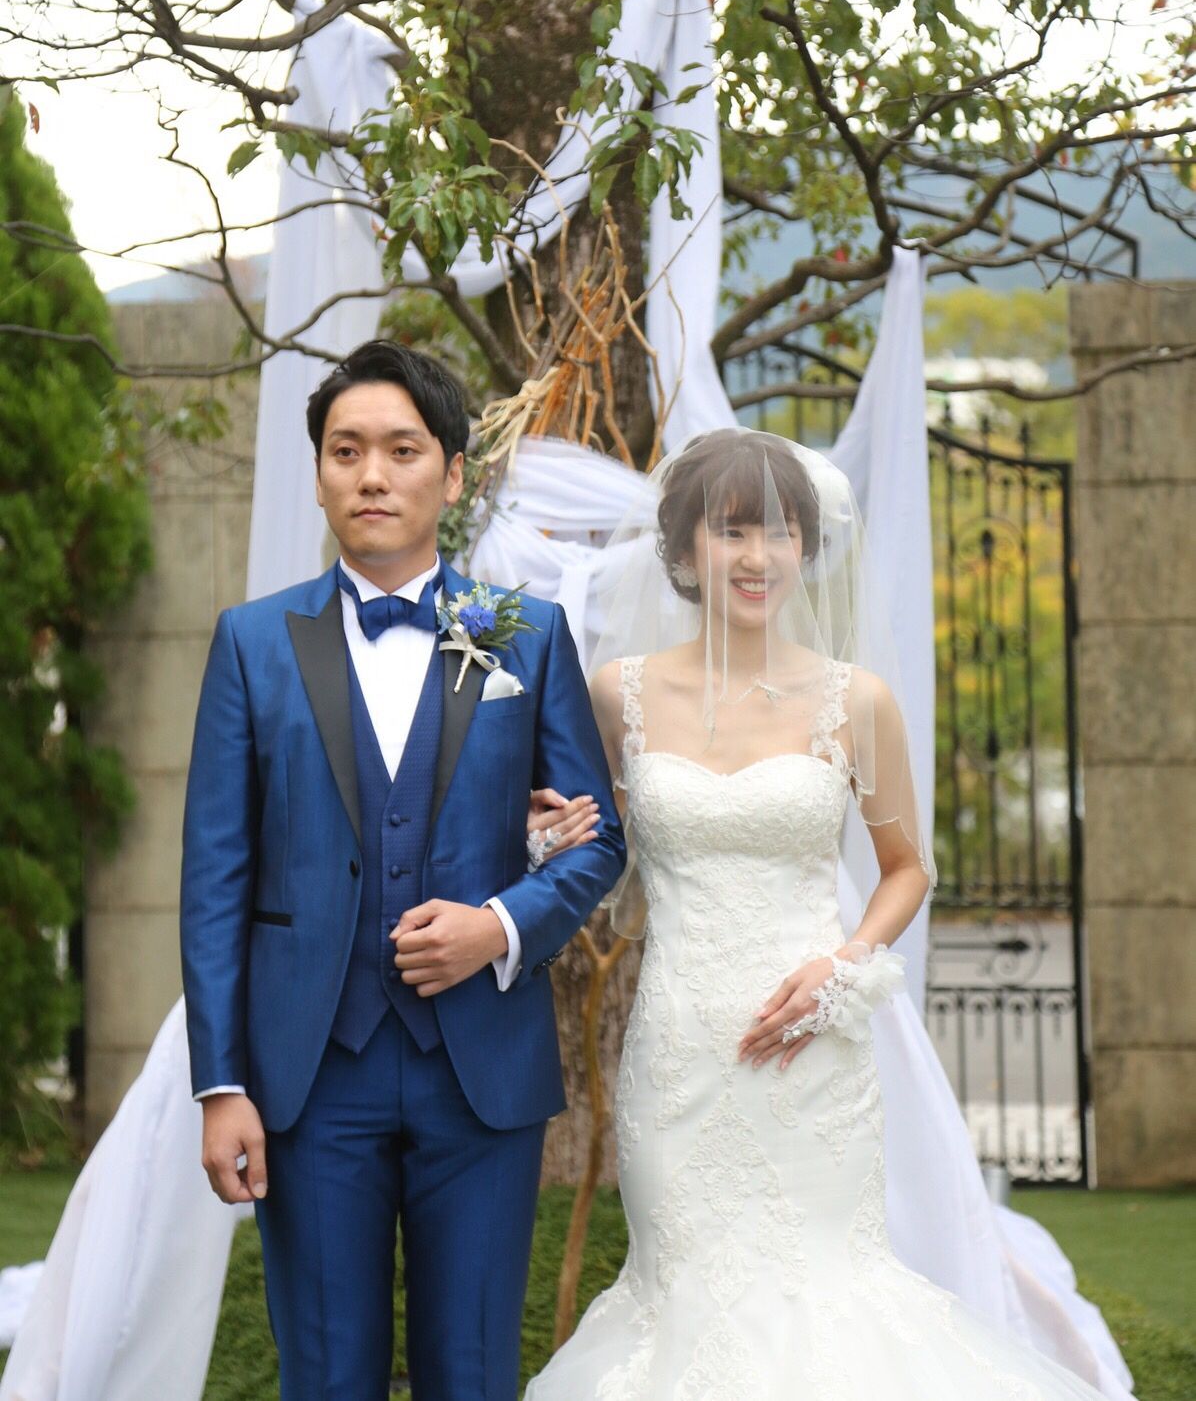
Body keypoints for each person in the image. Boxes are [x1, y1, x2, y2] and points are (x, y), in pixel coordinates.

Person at [525, 426, 1111, 1401]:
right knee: (682, 1299)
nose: (757, 555)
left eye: (779, 531)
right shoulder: (617, 692)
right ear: (683, 549)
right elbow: (598, 845)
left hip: (810, 1050)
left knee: (825, 1293)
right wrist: (549, 833)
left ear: (805, 547)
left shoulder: (856, 701)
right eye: (732, 529)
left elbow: (906, 869)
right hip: (678, 1052)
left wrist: (841, 967)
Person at [179, 339, 626, 1401]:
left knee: (469, 1372)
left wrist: (499, 925)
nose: (371, 475)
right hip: (308, 1075)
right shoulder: (252, 642)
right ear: (319, 473)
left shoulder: (526, 637)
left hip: (480, 1074)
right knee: (324, 1373)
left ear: (454, 474)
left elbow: (596, 838)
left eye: (401, 449)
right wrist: (221, 1083)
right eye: (345, 451)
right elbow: (214, 878)